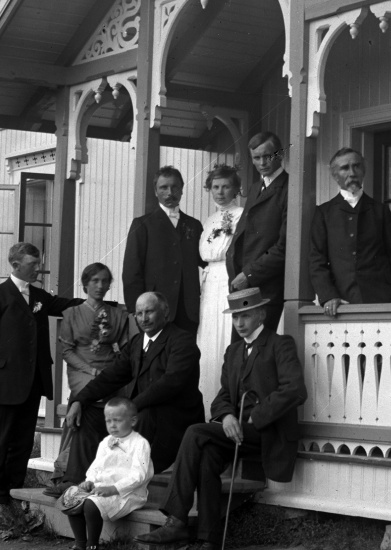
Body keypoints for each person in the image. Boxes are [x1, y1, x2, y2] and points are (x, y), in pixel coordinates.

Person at [136, 287, 307, 550]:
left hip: (267, 431)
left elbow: (295, 389)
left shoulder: (279, 344)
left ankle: (177, 521)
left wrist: (256, 418)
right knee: (207, 458)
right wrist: (226, 416)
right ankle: (209, 540)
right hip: (236, 430)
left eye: (246, 316)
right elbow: (223, 395)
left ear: (261, 314)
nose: (239, 323)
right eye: (235, 317)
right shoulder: (234, 351)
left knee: (195, 432)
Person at [0, 242, 83, 530]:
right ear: (16, 264)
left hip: (33, 382)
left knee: (22, 442)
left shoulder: (38, 295)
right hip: (4, 383)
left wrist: (101, 304)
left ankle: (13, 492)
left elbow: (62, 305)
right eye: (33, 264)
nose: (38, 268)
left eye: (39, 262)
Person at [62, 291, 204, 489]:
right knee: (88, 413)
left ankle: (120, 482)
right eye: (139, 313)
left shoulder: (182, 341)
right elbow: (111, 376)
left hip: (172, 421)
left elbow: (170, 383)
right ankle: (75, 482)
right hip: (140, 415)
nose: (143, 319)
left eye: (149, 312)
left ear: (165, 312)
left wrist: (130, 407)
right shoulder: (137, 343)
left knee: (141, 415)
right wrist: (80, 400)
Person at [45, 263, 136, 498]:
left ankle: (99, 476)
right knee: (82, 412)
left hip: (111, 375)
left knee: (110, 418)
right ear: (85, 284)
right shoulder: (72, 314)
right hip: (82, 374)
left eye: (105, 281)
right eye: (95, 280)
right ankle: (69, 475)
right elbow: (67, 351)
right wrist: (90, 371)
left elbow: (124, 350)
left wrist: (110, 370)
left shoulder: (117, 315)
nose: (100, 285)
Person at [309, 148, 391, 317]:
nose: (352, 173)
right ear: (335, 175)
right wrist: (328, 296)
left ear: (363, 171)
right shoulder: (324, 213)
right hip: (343, 304)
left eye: (356, 166)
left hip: (383, 301)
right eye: (344, 168)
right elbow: (316, 260)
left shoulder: (380, 210)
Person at [62, 397, 154, 550]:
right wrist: (90, 480)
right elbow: (96, 466)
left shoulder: (140, 444)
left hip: (127, 493)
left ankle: (93, 544)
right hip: (101, 489)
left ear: (132, 421)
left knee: (90, 505)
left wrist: (113, 489)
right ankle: (80, 544)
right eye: (108, 421)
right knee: (72, 499)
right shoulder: (106, 442)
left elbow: (139, 475)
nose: (112, 425)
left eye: (117, 420)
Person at [123, 166, 205, 335]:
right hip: (155, 310)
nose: (170, 192)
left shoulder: (193, 225)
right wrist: (137, 311)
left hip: (188, 311)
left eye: (175, 187)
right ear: (155, 191)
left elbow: (205, 263)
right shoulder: (143, 224)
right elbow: (132, 271)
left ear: (182, 190)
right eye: (164, 187)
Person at [225, 132, 288, 336]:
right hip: (244, 286)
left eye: (267, 156)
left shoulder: (289, 188)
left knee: (258, 350)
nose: (262, 162)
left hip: (267, 287)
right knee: (239, 349)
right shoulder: (255, 188)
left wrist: (249, 274)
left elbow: (284, 246)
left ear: (279, 154)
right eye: (256, 158)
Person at [197, 164, 244, 415]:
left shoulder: (242, 214)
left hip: (229, 276)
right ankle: (207, 408)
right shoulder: (209, 220)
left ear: (236, 189)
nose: (220, 192)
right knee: (209, 340)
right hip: (210, 282)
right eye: (215, 187)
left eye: (226, 186)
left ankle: (228, 405)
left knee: (226, 335)